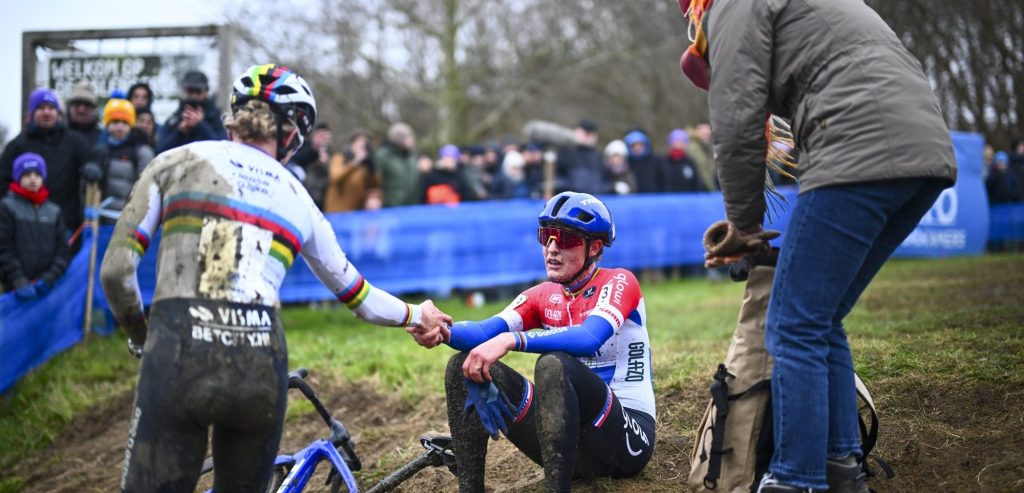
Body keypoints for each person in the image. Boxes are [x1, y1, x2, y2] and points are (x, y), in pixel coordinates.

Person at [99, 64, 453, 493]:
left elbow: (117, 272)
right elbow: (361, 298)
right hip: (260, 365)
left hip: (178, 351)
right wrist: (419, 314)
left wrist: (141, 336)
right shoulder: (298, 197)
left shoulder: (173, 161)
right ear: (292, 134)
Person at [678, 1, 957, 492]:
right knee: (820, 317)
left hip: (859, 145)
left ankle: (795, 478)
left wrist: (743, 226)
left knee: (792, 324)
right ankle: (839, 466)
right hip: (923, 147)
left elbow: (736, 115)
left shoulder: (730, 5)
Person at [413, 192, 656, 492]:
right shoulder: (544, 294)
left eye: (565, 239)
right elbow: (485, 330)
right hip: (569, 444)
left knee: (554, 365)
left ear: (594, 247)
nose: (551, 249)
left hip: (625, 440)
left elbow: (590, 337)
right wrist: (437, 327)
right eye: (546, 236)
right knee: (463, 364)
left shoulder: (618, 281)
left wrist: (512, 340)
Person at [0, 88, 99, 236]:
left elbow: (93, 160)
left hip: (65, 223)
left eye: (51, 108)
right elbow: (3, 179)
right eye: (41, 108)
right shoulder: (17, 145)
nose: (47, 112)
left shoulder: (75, 141)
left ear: (58, 113)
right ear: (32, 113)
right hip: (25, 224)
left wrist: (94, 167)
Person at [0, 153, 69, 298]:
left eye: (37, 174)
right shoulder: (7, 207)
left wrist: (51, 276)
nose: (33, 178)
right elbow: (4, 247)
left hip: (47, 287)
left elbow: (62, 249)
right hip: (15, 288)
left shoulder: (54, 211)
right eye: (27, 174)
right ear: (18, 177)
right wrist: (17, 278)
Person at [94, 98, 155, 222]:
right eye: (115, 122)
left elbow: (147, 186)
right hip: (103, 218)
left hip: (129, 219)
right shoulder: (100, 150)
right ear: (107, 125)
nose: (120, 126)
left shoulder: (141, 151)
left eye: (124, 122)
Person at [155, 70, 228, 153]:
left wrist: (201, 125)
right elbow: (160, 151)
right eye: (190, 91)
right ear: (184, 91)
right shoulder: (175, 119)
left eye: (198, 92)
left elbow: (223, 149)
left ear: (206, 92)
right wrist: (180, 132)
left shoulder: (216, 118)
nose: (194, 96)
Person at [323, 129, 380, 213]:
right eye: (360, 145)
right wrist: (355, 162)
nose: (362, 148)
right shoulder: (339, 158)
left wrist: (372, 167)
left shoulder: (364, 167)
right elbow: (335, 177)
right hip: (336, 214)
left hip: (356, 216)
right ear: (351, 145)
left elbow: (375, 186)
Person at [375, 122, 420, 207]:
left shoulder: (411, 156)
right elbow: (375, 181)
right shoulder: (383, 156)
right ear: (400, 139)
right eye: (409, 137)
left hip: (412, 206)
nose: (413, 140)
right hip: (392, 207)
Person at [555, 120, 605, 195]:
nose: (587, 137)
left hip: (594, 198)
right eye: (585, 133)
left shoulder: (598, 156)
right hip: (572, 198)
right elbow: (557, 178)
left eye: (590, 134)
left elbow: (603, 180)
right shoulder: (565, 152)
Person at [624, 129, 666, 194]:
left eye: (640, 145)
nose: (637, 148)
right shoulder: (625, 163)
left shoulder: (656, 162)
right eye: (634, 145)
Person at [66, 81, 102, 146]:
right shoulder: (57, 137)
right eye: (77, 104)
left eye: (87, 105)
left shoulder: (102, 139)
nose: (81, 110)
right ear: (70, 107)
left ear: (94, 110)